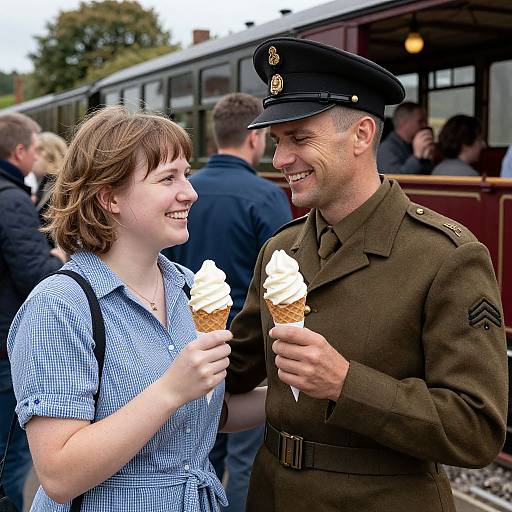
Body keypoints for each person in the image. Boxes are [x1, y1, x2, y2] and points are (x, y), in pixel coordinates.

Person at [225, 37, 508, 512]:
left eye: (300, 139)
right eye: (277, 142)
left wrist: (344, 383)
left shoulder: (446, 256)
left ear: (360, 135)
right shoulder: (280, 248)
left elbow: (476, 429)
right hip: (272, 495)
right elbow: (235, 369)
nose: (280, 161)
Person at [7, 106, 266, 512]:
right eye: (168, 178)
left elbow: (200, 416)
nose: (190, 192)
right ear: (109, 196)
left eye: (186, 174)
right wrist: (169, 390)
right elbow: (58, 474)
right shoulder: (59, 305)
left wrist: (296, 389)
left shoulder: (189, 287)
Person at [165, 92, 292, 511]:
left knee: (195, 451)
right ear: (255, 139)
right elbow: (283, 280)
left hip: (181, 345)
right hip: (244, 349)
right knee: (243, 462)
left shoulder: (180, 193)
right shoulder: (266, 197)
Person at [0, 113, 65, 511]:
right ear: (20, 151)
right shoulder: (10, 201)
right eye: (35, 148)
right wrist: (57, 257)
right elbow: (35, 275)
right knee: (13, 454)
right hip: (4, 344)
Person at [377, 101, 434, 174]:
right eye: (420, 121)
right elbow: (395, 178)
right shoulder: (386, 148)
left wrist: (427, 158)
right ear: (404, 123)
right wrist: (417, 156)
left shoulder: (411, 145)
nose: (425, 125)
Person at [32, 131, 68, 226]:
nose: (31, 161)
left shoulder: (61, 187)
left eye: (35, 157)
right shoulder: (46, 182)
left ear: (48, 155)